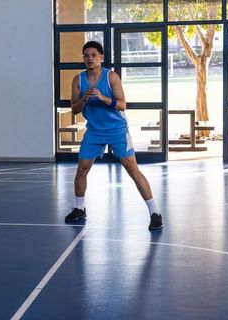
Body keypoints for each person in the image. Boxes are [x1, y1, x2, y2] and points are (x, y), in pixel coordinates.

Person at [64, 41, 163, 231]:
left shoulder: (111, 76)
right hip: (94, 130)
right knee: (82, 168)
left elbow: (122, 104)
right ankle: (79, 208)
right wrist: (84, 98)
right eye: (86, 55)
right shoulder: (78, 80)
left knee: (132, 169)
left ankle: (155, 213)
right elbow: (74, 110)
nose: (90, 58)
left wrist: (102, 98)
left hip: (117, 129)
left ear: (101, 57)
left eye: (94, 55)